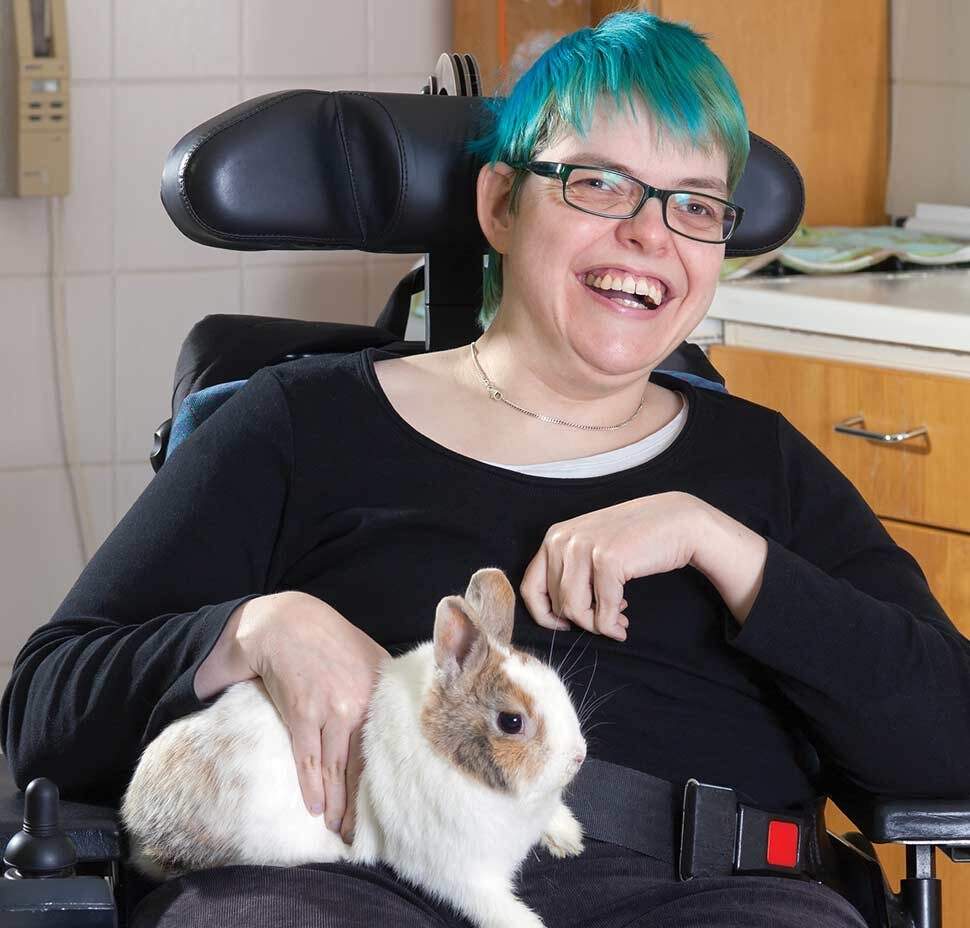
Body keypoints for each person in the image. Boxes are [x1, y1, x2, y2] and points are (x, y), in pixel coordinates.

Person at [4, 10, 970, 928]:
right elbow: (46, 714)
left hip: (708, 895)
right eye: (598, 184)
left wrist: (723, 547)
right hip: (360, 886)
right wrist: (254, 628)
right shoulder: (300, 425)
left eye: (696, 205)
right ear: (502, 204)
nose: (649, 234)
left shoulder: (762, 468)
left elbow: (946, 743)